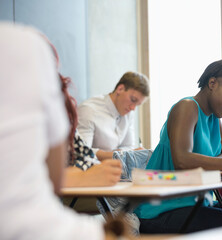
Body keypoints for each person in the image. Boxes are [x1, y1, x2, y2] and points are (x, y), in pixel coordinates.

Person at [0, 22, 128, 240]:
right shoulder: (26, 48)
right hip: (48, 211)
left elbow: (80, 152)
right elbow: (54, 177)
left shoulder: (120, 118)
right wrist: (82, 176)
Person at [134, 59, 222, 234]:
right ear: (212, 83)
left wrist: (209, 163)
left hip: (194, 204)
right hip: (160, 210)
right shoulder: (187, 107)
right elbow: (182, 159)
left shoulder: (215, 120)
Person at [77, 71, 150, 160]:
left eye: (137, 104)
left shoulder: (128, 112)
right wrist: (118, 155)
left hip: (116, 170)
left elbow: (129, 146)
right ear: (120, 89)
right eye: (133, 100)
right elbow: (82, 152)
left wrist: (125, 154)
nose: (133, 108)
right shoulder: (89, 110)